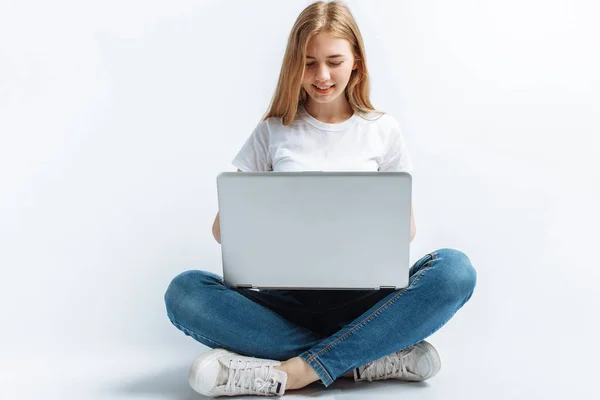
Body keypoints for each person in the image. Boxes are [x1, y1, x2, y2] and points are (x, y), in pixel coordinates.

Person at [164, 1, 477, 397]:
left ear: (357, 62)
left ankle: (295, 371)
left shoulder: (383, 131)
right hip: (284, 301)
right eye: (309, 62)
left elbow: (405, 231)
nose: (322, 75)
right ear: (294, 64)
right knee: (184, 291)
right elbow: (222, 231)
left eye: (334, 61)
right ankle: (361, 357)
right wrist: (263, 204)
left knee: (456, 270)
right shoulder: (273, 131)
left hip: (365, 302)